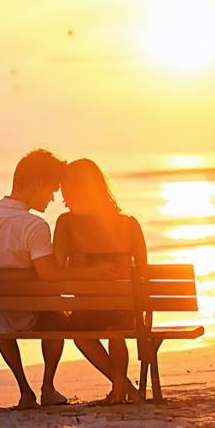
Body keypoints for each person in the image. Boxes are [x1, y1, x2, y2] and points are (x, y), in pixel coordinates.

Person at [0, 149, 116, 409]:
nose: (54, 198)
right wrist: (94, 271)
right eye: (52, 190)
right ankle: (48, 387)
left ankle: (24, 390)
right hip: (24, 316)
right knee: (57, 313)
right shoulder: (34, 225)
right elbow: (51, 276)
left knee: (2, 313)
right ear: (37, 185)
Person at [53, 158, 148, 404]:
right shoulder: (129, 223)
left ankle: (123, 388)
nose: (62, 192)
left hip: (87, 310)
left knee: (81, 334)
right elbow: (144, 273)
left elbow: (56, 269)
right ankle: (121, 389)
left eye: (65, 186)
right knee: (115, 330)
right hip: (127, 309)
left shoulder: (65, 223)